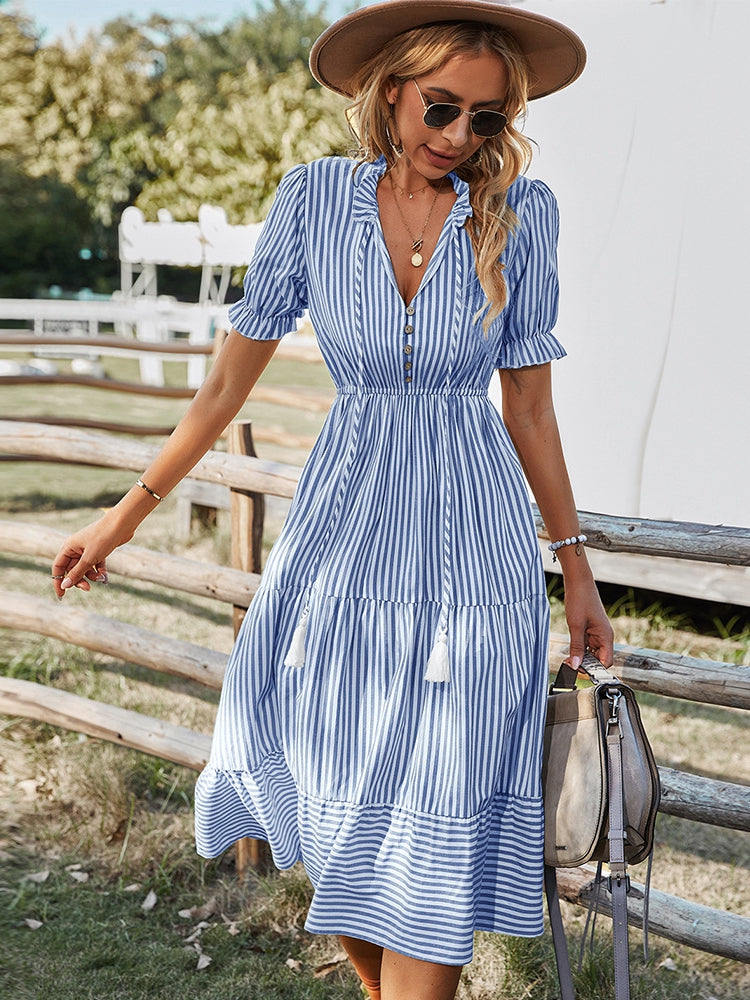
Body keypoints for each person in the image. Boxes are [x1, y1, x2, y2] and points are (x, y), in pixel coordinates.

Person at [52, 2, 614, 997]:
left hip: (469, 558)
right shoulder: (312, 202)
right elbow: (224, 389)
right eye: (442, 107)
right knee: (330, 801)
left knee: (436, 819)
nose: (458, 137)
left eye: (487, 120)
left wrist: (576, 570)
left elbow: (530, 410)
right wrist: (121, 516)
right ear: (389, 91)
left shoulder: (523, 220)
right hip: (340, 548)